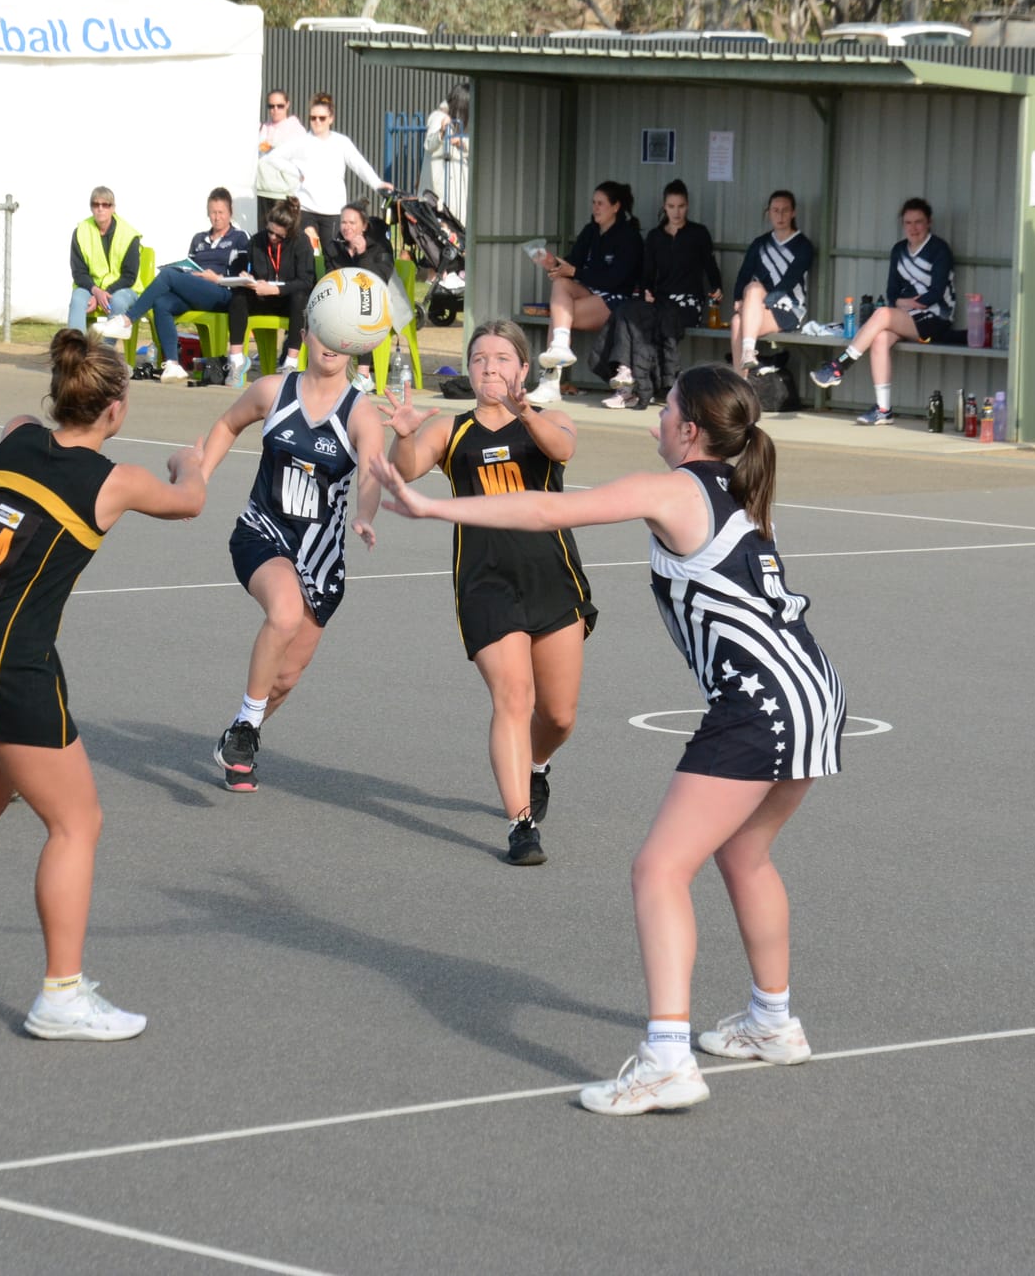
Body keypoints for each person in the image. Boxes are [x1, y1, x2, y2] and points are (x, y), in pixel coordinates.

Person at [370, 365, 844, 1116]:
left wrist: (432, 510)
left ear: (690, 430)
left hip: (758, 705)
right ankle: (772, 1021)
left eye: (668, 408)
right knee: (745, 853)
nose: (657, 416)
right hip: (815, 690)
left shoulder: (675, 490)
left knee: (658, 870)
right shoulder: (744, 497)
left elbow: (547, 508)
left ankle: (666, 1058)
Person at [0, 330, 208, 1038]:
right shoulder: (113, 479)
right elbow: (190, 502)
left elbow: (21, 423)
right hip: (8, 659)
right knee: (76, 822)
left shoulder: (15, 443)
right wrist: (193, 461)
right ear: (116, 409)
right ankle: (61, 993)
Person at [379, 321, 593, 865]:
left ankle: (536, 766)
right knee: (513, 698)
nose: (490, 368)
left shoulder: (549, 421)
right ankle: (521, 826)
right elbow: (404, 470)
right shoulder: (451, 431)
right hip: (485, 582)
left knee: (560, 716)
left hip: (553, 578)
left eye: (502, 358)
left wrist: (525, 412)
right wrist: (403, 434)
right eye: (479, 359)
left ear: (523, 369)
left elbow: (561, 448)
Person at [202, 321, 385, 792]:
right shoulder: (272, 391)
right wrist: (198, 478)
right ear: (305, 335)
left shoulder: (360, 413)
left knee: (283, 679)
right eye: (324, 332)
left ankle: (242, 735)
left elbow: (370, 474)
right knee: (283, 614)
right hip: (261, 534)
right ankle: (244, 729)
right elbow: (227, 424)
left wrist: (365, 515)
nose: (331, 344)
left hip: (321, 560)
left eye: (344, 335)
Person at [812, 197, 956, 425]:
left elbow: (935, 294)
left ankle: (839, 366)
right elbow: (891, 293)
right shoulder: (899, 250)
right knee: (879, 338)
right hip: (909, 316)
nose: (913, 228)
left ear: (928, 222)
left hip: (936, 318)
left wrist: (903, 302)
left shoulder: (939, 249)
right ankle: (883, 409)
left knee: (882, 314)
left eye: (919, 222)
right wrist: (906, 302)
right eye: (908, 223)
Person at [93, 186, 248, 383]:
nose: (216, 218)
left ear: (230, 213)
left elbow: (242, 275)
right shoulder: (199, 239)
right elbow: (192, 267)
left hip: (222, 292)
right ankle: (173, 364)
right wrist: (189, 273)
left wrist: (217, 277)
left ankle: (127, 320)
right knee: (161, 303)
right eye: (212, 213)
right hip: (197, 289)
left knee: (167, 275)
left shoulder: (240, 238)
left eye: (220, 213)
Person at [598, 179, 721, 410]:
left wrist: (717, 287)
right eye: (671, 206)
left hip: (687, 304)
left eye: (681, 206)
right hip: (660, 301)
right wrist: (646, 292)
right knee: (626, 311)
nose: (676, 211)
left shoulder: (698, 233)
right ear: (664, 207)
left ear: (687, 206)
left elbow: (710, 266)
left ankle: (636, 389)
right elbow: (647, 272)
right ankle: (624, 375)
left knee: (656, 321)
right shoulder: (655, 236)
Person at [529, 181, 642, 402]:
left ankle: (550, 381)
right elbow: (573, 264)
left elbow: (616, 280)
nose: (595, 208)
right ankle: (560, 347)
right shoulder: (590, 231)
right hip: (589, 292)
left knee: (559, 314)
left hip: (617, 299)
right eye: (593, 203)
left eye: (601, 203)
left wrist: (574, 271)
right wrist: (553, 264)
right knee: (560, 284)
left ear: (616, 207)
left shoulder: (629, 236)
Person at [264, 93, 394, 259]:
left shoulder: (341, 142)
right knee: (306, 252)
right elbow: (273, 157)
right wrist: (296, 172)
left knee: (332, 254)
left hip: (333, 210)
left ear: (331, 119)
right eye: (313, 118)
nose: (317, 122)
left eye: (322, 118)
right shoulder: (302, 141)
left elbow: (360, 165)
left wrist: (377, 183)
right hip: (306, 208)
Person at [223, 198, 315, 390]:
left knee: (301, 299)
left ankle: (290, 363)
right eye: (270, 231)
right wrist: (245, 276)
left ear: (289, 233)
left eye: (278, 235)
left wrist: (276, 289)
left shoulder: (301, 243)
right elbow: (244, 265)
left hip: (287, 299)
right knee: (238, 295)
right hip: (262, 296)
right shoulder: (257, 240)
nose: (272, 237)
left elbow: (306, 282)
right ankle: (237, 360)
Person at [728, 190, 816, 378]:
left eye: (785, 210)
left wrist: (757, 306)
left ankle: (747, 358)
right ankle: (741, 382)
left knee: (752, 294)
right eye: (775, 210)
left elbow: (787, 283)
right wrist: (738, 299)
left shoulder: (803, 246)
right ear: (769, 213)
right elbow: (743, 274)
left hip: (789, 310)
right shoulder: (760, 243)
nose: (780, 215)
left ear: (793, 213)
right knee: (737, 318)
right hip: (758, 306)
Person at [66, 185, 141, 332]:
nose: (100, 209)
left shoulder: (129, 234)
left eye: (105, 205)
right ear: (91, 207)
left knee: (118, 301)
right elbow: (78, 272)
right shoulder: (80, 231)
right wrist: (96, 292)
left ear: (113, 208)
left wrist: (103, 294)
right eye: (96, 204)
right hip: (90, 287)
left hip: (124, 288)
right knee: (77, 299)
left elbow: (129, 276)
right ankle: (77, 350)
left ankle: (106, 350)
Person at [423, 82, 471, 221]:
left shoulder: (464, 122)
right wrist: (442, 133)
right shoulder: (438, 117)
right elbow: (429, 144)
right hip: (439, 191)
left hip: (459, 189)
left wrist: (462, 143)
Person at [254, 88, 305, 215]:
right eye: (271, 106)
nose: (275, 110)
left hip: (284, 195)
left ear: (287, 105)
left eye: (280, 106)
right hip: (262, 191)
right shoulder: (262, 129)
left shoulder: (297, 131)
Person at [325, 201, 395, 282]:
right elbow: (331, 281)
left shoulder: (381, 245)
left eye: (352, 223)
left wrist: (363, 255)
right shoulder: (333, 248)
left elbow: (380, 280)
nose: (347, 227)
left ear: (364, 226)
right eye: (343, 222)